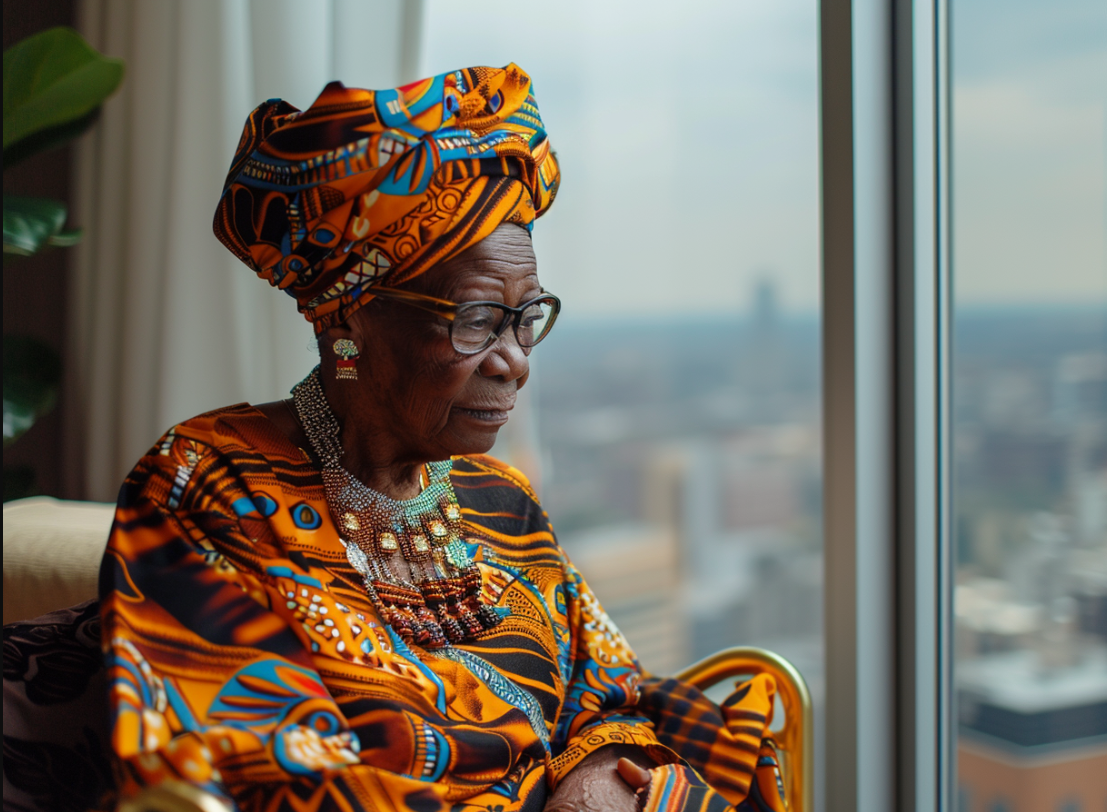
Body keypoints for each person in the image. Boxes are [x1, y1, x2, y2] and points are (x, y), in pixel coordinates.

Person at [95, 64, 788, 812]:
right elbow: (261, 768)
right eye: (476, 319)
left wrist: (598, 770)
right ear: (346, 318)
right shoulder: (208, 483)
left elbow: (608, 689)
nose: (515, 361)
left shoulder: (501, 500)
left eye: (527, 318)